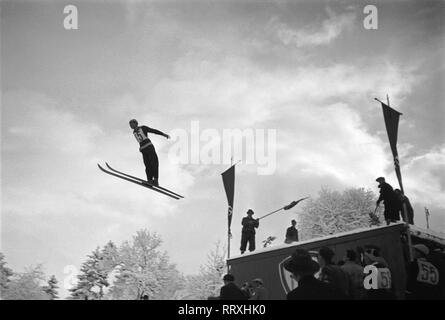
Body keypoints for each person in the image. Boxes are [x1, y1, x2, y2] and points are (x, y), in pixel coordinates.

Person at [129, 119, 170, 186]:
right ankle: (149, 180)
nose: (130, 125)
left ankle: (156, 180)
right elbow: (140, 141)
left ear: (136, 123)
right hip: (143, 150)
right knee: (147, 165)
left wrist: (163, 134)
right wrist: (140, 147)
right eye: (129, 124)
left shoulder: (143, 128)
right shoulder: (134, 132)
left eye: (131, 124)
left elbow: (153, 131)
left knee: (154, 162)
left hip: (149, 147)